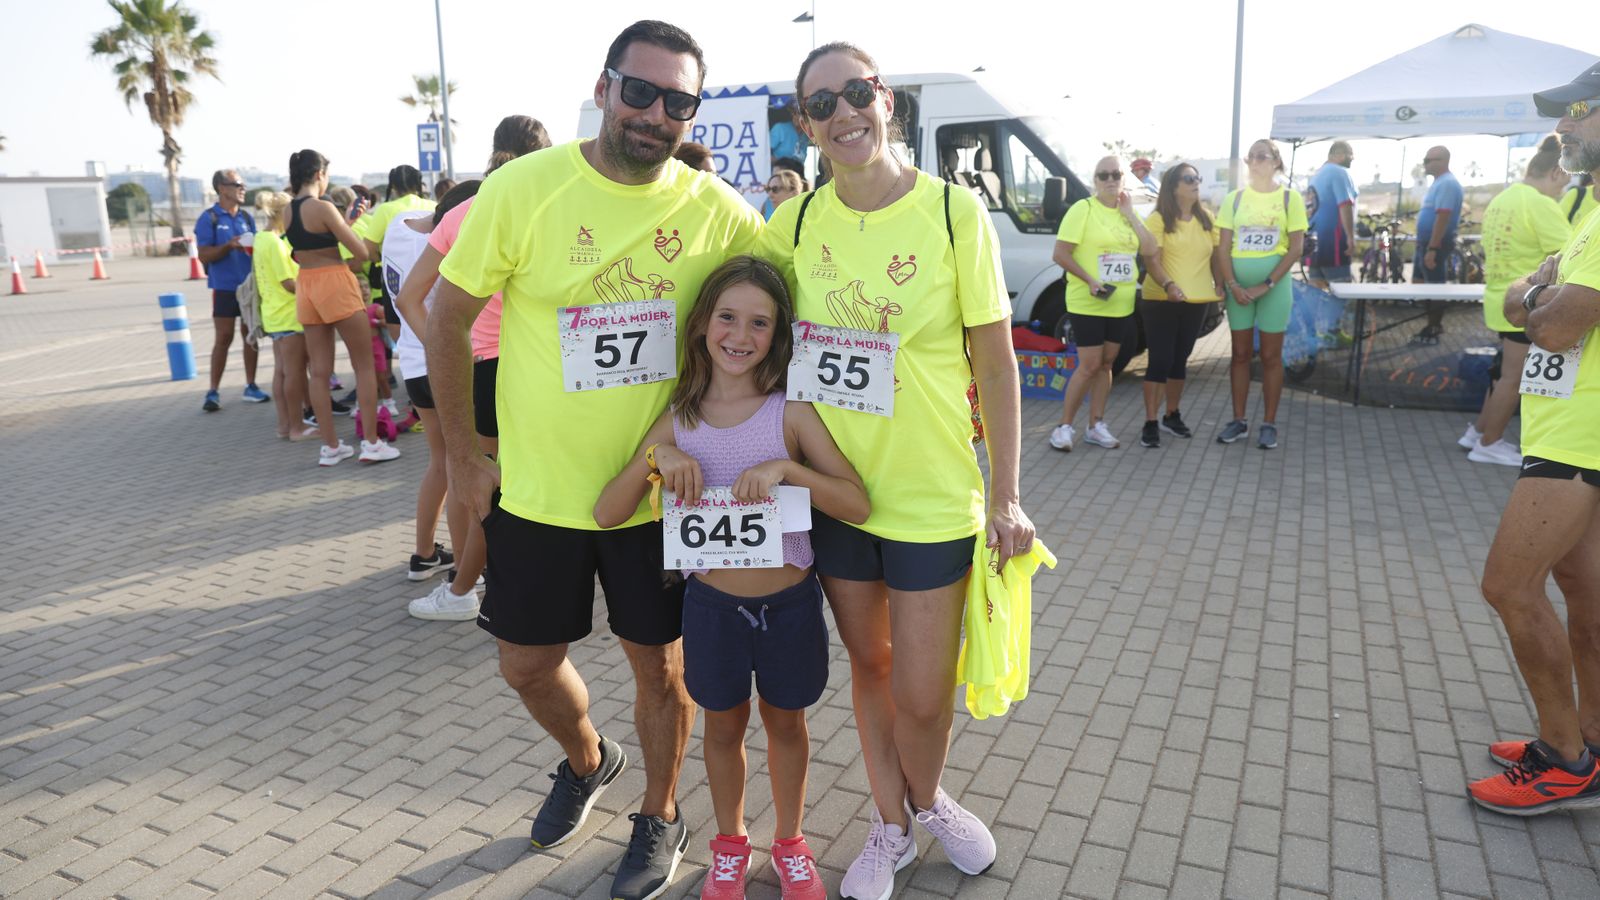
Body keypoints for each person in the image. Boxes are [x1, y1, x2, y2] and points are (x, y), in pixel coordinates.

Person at [426, 22, 763, 900]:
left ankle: (660, 813)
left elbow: (776, 325)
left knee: (660, 669)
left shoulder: (718, 212)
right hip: (538, 494)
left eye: (678, 101)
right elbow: (446, 317)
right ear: (605, 86)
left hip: (661, 495)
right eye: (641, 91)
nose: (656, 114)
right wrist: (463, 456)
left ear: (692, 112)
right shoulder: (527, 188)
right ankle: (588, 758)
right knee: (525, 664)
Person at [756, 42, 1036, 900]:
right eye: (820, 104)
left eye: (856, 93)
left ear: (887, 101)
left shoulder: (955, 216)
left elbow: (997, 365)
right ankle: (891, 824)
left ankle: (930, 797)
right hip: (837, 493)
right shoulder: (793, 225)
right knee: (869, 669)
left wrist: (1007, 493)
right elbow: (747, 336)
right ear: (805, 125)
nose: (842, 114)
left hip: (930, 496)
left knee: (921, 689)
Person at [595, 256, 867, 900]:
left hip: (791, 605)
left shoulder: (790, 413)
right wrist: (657, 457)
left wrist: (787, 470)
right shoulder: (677, 421)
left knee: (787, 726)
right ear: (701, 326)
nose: (740, 335)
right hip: (711, 609)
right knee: (722, 728)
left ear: (777, 335)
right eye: (727, 317)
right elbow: (608, 511)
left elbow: (855, 502)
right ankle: (730, 845)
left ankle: (792, 843)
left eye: (759, 323)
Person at [1468, 65, 1600, 816]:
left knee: (1509, 587)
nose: (1566, 129)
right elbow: (1531, 291)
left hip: (1580, 440)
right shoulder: (1586, 210)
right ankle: (1589, 741)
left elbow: (1546, 318)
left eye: (1582, 113)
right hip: (1565, 430)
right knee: (1585, 595)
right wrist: (1538, 293)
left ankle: (1560, 760)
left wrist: (1536, 296)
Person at [399, 114, 552, 621]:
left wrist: (449, 352)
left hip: (486, 370)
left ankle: (466, 590)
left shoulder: (466, 210)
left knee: (484, 489)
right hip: (545, 370)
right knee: (531, 486)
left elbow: (408, 297)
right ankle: (482, 587)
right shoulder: (553, 207)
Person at [386, 183, 481, 590]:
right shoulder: (452, 248)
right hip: (441, 363)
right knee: (463, 465)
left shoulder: (398, 226)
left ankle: (424, 554)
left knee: (441, 463)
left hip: (411, 364)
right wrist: (446, 354)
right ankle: (464, 571)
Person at [1460, 136, 1571, 466]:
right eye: (1563, 182)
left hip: (1499, 300)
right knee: (1514, 377)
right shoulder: (1539, 204)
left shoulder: (1503, 199)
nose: (1563, 191)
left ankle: (1477, 432)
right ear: (1554, 172)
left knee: (1500, 374)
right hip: (1525, 304)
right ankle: (1489, 443)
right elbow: (1573, 253)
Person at [285, 149, 399, 466]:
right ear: (320, 174)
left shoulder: (287, 212)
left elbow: (308, 248)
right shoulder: (322, 207)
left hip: (306, 286)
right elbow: (361, 252)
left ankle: (331, 447)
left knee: (319, 371)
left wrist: (342, 224)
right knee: (364, 365)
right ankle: (372, 444)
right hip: (335, 282)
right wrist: (348, 224)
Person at [1048, 155, 1156, 452]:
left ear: (1124, 179)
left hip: (1119, 303)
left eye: (1116, 175)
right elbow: (1060, 254)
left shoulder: (1127, 212)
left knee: (1108, 364)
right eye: (1103, 175)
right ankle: (1063, 427)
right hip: (1089, 301)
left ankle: (1096, 425)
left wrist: (1131, 214)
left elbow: (1150, 249)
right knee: (1090, 365)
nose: (1110, 180)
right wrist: (1090, 280)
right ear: (1094, 181)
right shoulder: (1082, 210)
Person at [1215, 139, 1307, 450]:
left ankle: (1268, 423)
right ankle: (1238, 420)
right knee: (1240, 355)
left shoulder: (1289, 198)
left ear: (1276, 162)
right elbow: (1223, 248)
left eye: (1262, 156)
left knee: (1270, 356)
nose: (1255, 162)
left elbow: (1296, 248)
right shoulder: (1235, 199)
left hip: (1273, 289)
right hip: (1238, 292)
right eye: (1250, 157)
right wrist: (1233, 285)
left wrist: (1264, 285)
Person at [1137, 163, 1222, 448]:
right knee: (1159, 360)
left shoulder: (1207, 218)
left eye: (1197, 177)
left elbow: (1216, 257)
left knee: (1179, 360)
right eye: (1189, 179)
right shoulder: (1159, 219)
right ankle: (1150, 421)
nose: (1196, 182)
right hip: (1161, 299)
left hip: (1196, 301)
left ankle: (1171, 415)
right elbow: (1152, 260)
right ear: (1173, 187)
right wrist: (1169, 286)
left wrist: (1221, 285)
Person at [195, 169, 266, 411]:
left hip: (248, 287)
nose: (242, 188)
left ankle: (251, 385)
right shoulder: (209, 218)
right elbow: (204, 255)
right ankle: (213, 391)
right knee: (223, 338)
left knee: (251, 335)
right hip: (224, 288)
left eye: (242, 184)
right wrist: (228, 246)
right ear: (222, 188)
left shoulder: (246, 217)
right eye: (238, 184)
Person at [252, 190, 314, 442]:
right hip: (287, 314)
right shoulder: (275, 243)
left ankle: (284, 425)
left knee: (281, 371)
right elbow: (288, 282)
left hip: (273, 314)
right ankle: (296, 427)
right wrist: (313, 288)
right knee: (294, 372)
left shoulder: (261, 238)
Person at [358, 165, 436, 343]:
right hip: (433, 274)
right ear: (418, 183)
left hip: (396, 278)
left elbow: (367, 249)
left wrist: (382, 259)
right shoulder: (433, 205)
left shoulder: (385, 209)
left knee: (401, 337)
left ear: (392, 186)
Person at [1410, 145, 1463, 344]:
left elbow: (1443, 216)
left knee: (1434, 286)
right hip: (1426, 244)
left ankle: (1434, 326)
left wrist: (1432, 248)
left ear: (1443, 161)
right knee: (1422, 284)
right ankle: (1430, 324)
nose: (1425, 164)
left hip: (1435, 245)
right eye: (1425, 160)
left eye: (1429, 160)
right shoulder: (1439, 183)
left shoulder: (1447, 183)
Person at [1306, 141, 1359, 289]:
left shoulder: (1316, 175)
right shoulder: (1339, 172)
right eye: (1350, 156)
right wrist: (1350, 236)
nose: (1352, 159)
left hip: (1314, 244)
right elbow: (1345, 205)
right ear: (1339, 155)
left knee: (1316, 294)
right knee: (1342, 294)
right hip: (1334, 242)